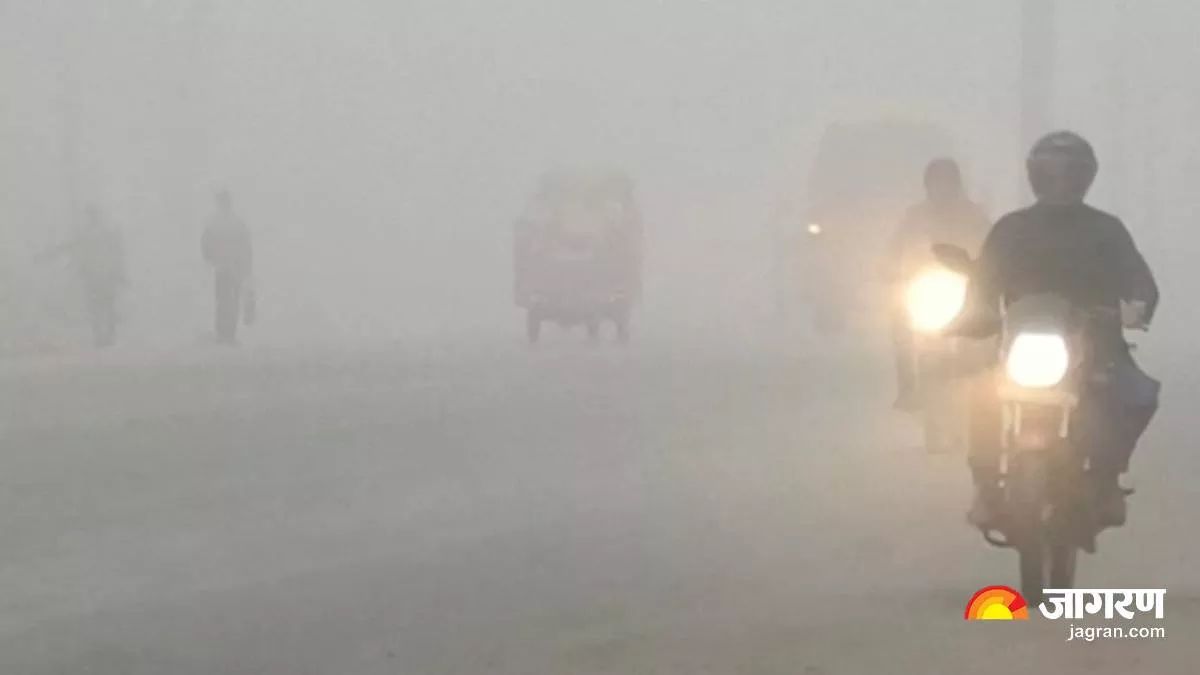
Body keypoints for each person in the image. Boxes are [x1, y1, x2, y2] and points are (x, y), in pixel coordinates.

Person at [963, 131, 1160, 528]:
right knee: (979, 396)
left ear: (1085, 178)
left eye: (1070, 174)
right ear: (1035, 176)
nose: (1060, 182)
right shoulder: (1011, 229)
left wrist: (1136, 306)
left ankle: (1105, 478)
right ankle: (986, 487)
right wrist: (975, 312)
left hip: (1096, 343)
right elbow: (982, 281)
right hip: (1018, 344)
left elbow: (1139, 278)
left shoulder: (1106, 230)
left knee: (1137, 395)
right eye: (1051, 173)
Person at [885, 158, 991, 411]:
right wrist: (888, 269)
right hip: (924, 285)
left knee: (987, 325)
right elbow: (895, 247)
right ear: (927, 186)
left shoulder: (974, 215)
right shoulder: (915, 216)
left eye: (947, 182)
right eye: (936, 182)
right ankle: (907, 386)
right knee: (900, 319)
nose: (941, 188)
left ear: (956, 184)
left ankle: (987, 384)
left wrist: (985, 270)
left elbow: (991, 245)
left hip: (965, 286)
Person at [42, 205, 127, 347]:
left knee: (96, 307)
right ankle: (108, 336)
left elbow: (69, 246)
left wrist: (49, 255)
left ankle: (101, 336)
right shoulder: (107, 232)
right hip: (104, 275)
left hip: (94, 276)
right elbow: (117, 253)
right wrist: (119, 272)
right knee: (106, 306)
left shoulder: (88, 234)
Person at [202, 190, 253, 345]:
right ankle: (229, 334)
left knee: (223, 300)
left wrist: (211, 258)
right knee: (232, 300)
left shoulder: (215, 222)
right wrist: (246, 266)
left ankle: (223, 334)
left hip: (223, 267)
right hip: (234, 267)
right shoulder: (237, 222)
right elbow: (246, 246)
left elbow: (205, 243)